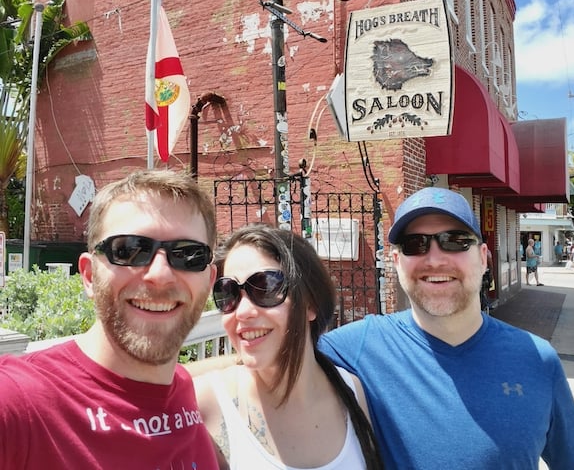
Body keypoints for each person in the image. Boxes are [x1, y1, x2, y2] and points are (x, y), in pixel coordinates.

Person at [318, 187, 574, 469]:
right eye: (415, 244)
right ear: (396, 262)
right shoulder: (350, 351)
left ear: (483, 256)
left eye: (456, 240)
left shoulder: (537, 359)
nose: (436, 259)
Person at [0, 170, 220, 469]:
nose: (160, 274)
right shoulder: (20, 404)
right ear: (89, 275)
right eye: (129, 250)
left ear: (208, 281)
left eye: (188, 255)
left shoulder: (180, 388)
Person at [193, 223, 383, 470]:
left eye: (266, 287)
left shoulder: (353, 392)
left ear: (311, 304)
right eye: (228, 292)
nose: (244, 312)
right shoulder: (203, 405)